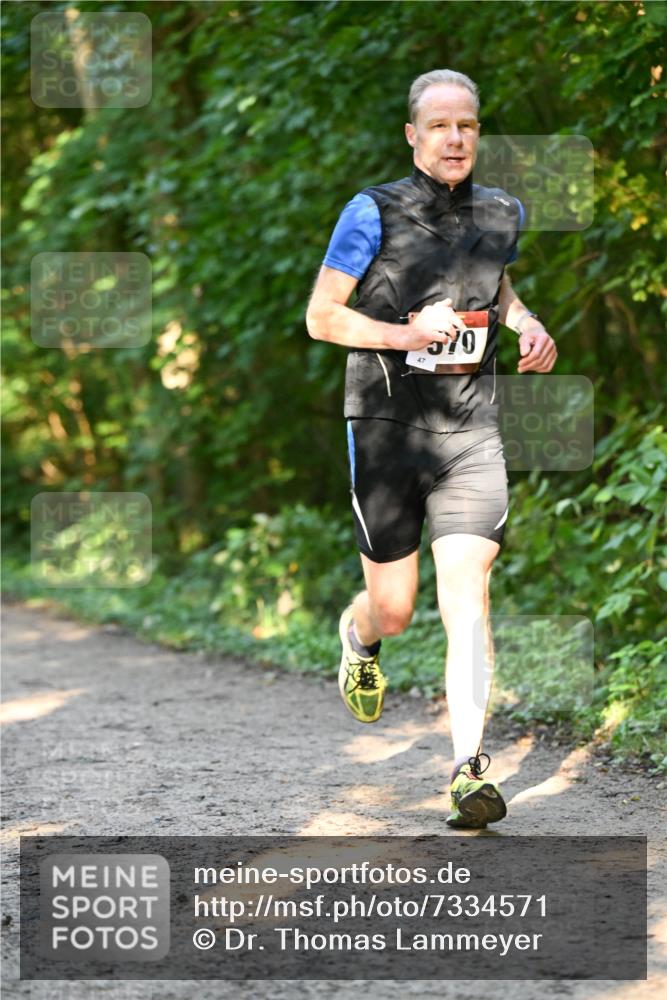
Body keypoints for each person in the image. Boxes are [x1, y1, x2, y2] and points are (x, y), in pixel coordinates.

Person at [305, 69, 557, 828]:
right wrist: (402, 335)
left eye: (468, 126)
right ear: (412, 136)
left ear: (478, 134)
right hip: (386, 431)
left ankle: (468, 770)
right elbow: (321, 317)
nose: (455, 138)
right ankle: (359, 632)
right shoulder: (369, 211)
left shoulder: (501, 210)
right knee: (396, 607)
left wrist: (523, 323)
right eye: (439, 126)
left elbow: (495, 286)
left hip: (470, 430)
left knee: (468, 599)